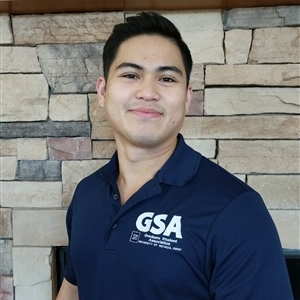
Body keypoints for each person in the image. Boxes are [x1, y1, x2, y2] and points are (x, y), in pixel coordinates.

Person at [56, 11, 293, 300]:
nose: (148, 92)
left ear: (187, 97)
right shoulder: (87, 194)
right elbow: (73, 289)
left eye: (166, 78)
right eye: (131, 75)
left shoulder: (237, 212)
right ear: (103, 91)